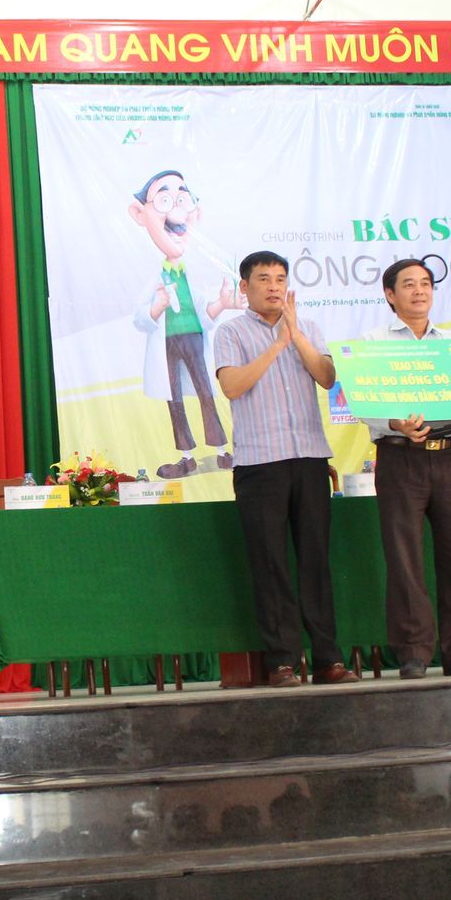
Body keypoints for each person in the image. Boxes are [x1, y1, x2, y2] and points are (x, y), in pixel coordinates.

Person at [213, 251, 356, 688]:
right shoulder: (230, 331)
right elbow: (232, 386)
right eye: (264, 279)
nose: (274, 286)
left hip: (309, 458)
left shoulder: (306, 327)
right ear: (245, 287)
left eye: (280, 278)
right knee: (270, 564)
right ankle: (282, 662)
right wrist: (277, 344)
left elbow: (328, 378)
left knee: (315, 561)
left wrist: (295, 336)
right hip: (260, 464)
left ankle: (329, 659)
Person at [365, 260, 451, 680]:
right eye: (409, 284)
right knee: (404, 556)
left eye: (425, 284)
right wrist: (396, 423)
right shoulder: (374, 343)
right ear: (390, 295)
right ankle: (413, 652)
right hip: (399, 458)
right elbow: (365, 404)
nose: (419, 291)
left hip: (450, 458)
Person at [129, 170, 242, 479]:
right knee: (174, 398)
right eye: (164, 200)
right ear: (140, 214)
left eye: (182, 200)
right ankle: (186, 456)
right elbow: (139, 317)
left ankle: (222, 450)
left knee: (206, 391)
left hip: (193, 338)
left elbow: (204, 311)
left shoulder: (193, 273)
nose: (176, 212)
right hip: (166, 343)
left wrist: (222, 303)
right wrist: (157, 307)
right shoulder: (154, 275)